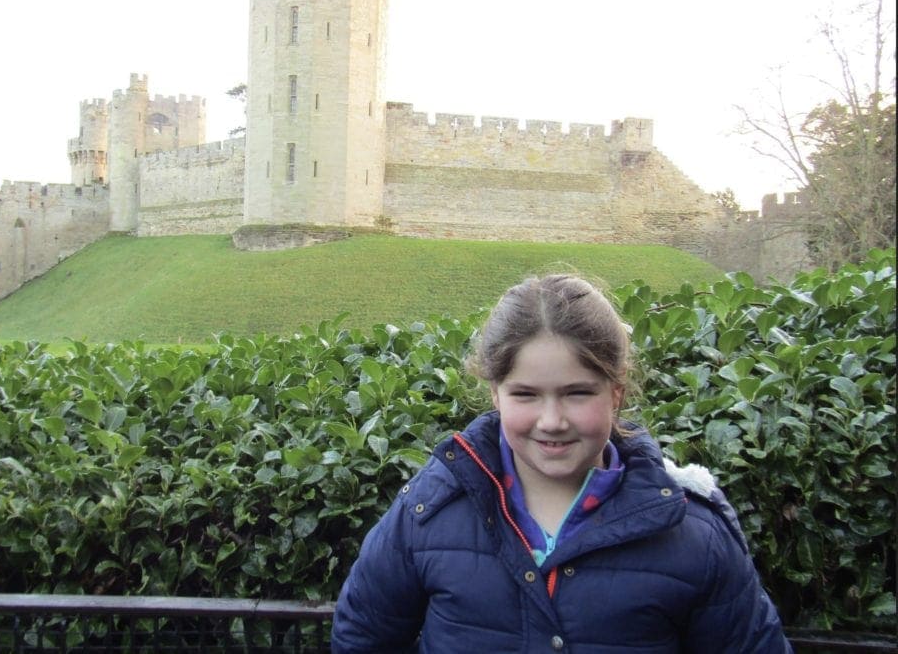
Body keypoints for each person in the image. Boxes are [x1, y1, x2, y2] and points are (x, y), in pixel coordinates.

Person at [331, 274, 792, 653]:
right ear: (495, 394)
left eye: (577, 393)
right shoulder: (427, 511)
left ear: (616, 392)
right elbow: (362, 638)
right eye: (525, 395)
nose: (551, 421)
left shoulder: (695, 532)